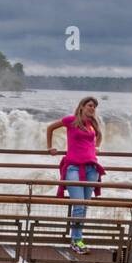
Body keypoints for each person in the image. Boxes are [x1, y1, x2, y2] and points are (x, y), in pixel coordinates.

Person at [45, 96, 105, 253]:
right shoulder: (71, 120)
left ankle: (78, 239)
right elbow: (50, 127)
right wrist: (50, 147)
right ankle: (76, 241)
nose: (92, 108)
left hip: (91, 168)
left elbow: (99, 136)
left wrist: (96, 148)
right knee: (78, 205)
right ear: (82, 107)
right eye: (90, 105)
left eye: (94, 107)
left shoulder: (92, 123)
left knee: (84, 206)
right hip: (73, 168)